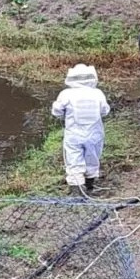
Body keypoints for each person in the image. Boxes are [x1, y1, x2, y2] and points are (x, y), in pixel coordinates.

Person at [51, 63, 111, 196]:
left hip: (74, 134)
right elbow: (105, 111)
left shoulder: (66, 94)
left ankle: (77, 192)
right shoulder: (97, 93)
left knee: (73, 160)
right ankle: (90, 186)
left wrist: (64, 115)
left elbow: (56, 111)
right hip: (95, 133)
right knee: (92, 158)